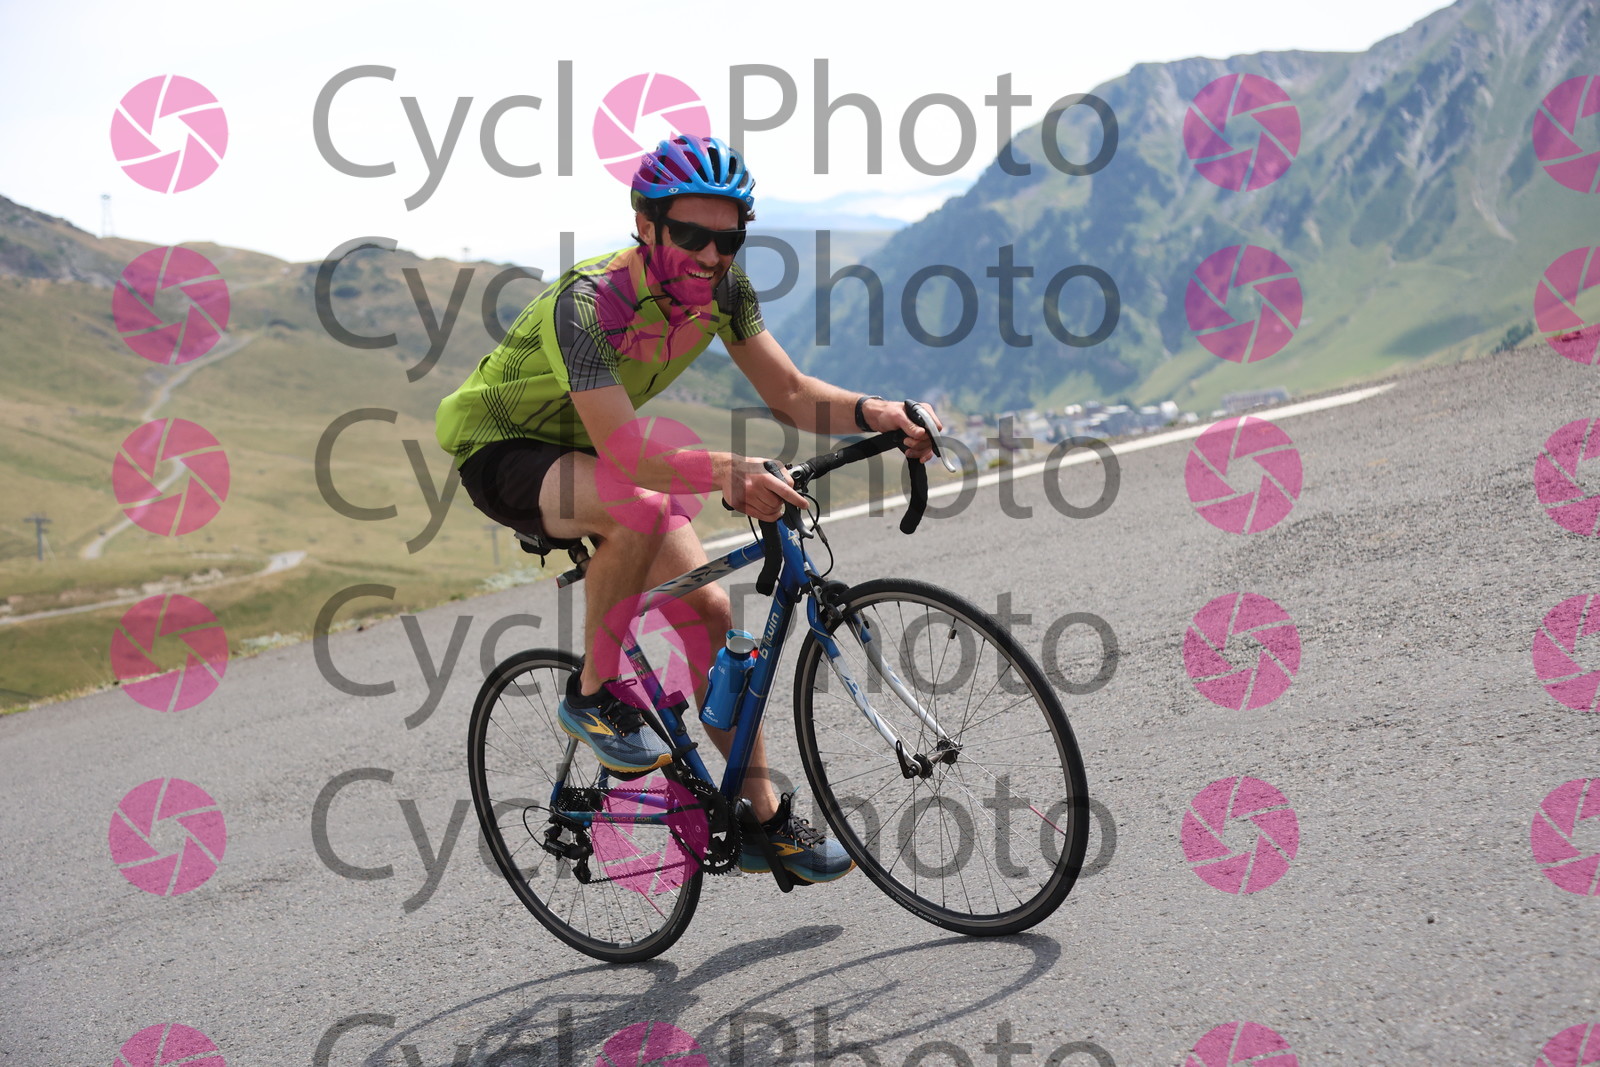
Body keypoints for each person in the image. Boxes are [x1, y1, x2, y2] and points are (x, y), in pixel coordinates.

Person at [435, 134, 942, 884]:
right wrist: (729, 470)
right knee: (637, 510)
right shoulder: (587, 305)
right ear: (646, 225)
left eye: (728, 239)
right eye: (691, 236)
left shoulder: (725, 292)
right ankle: (591, 695)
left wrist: (878, 412)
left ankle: (763, 820)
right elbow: (628, 451)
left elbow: (791, 393)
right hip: (503, 449)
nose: (711, 256)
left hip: (592, 449)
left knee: (708, 611)